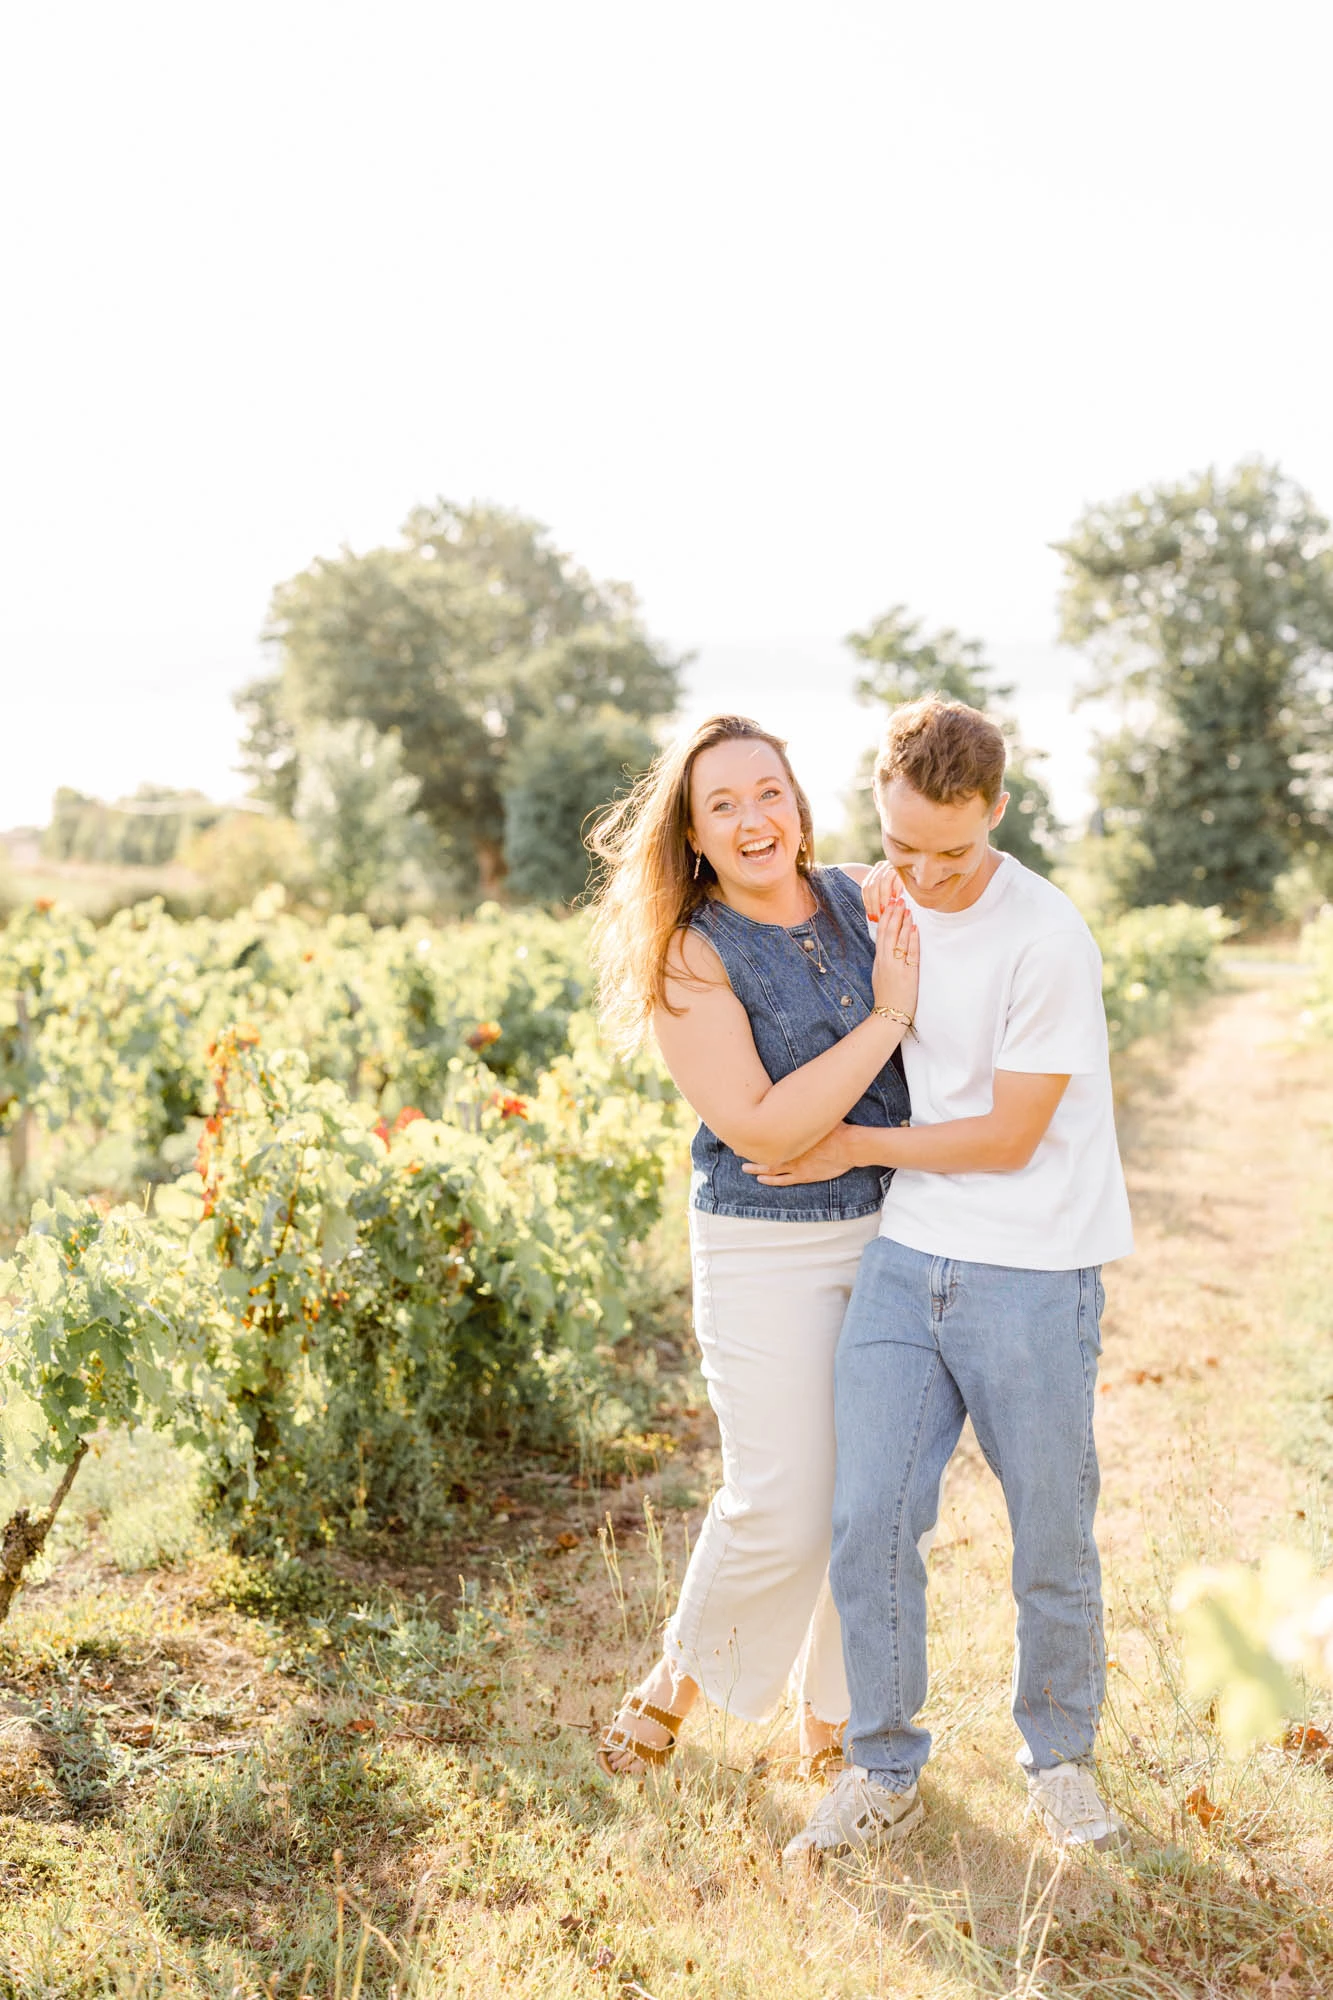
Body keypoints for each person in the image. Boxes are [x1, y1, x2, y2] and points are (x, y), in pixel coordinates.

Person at [753, 697, 1134, 1863]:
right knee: (868, 1513)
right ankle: (882, 1767)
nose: (921, 873)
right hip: (908, 1254)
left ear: (998, 815)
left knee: (1050, 1531)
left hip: (1035, 1264)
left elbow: (1011, 1133)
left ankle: (1058, 1755)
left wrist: (856, 1146)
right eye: (900, 845)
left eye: (950, 851)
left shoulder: (1046, 937)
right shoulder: (885, 892)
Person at [585, 712, 918, 1780]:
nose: (752, 817)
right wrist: (886, 1020)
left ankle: (833, 1713)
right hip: (762, 1240)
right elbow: (765, 1126)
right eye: (721, 803)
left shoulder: (868, 900)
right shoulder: (690, 951)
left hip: (892, 1224)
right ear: (691, 834)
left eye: (767, 791)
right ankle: (674, 1678)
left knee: (871, 1489)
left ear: (799, 804)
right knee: (781, 1493)